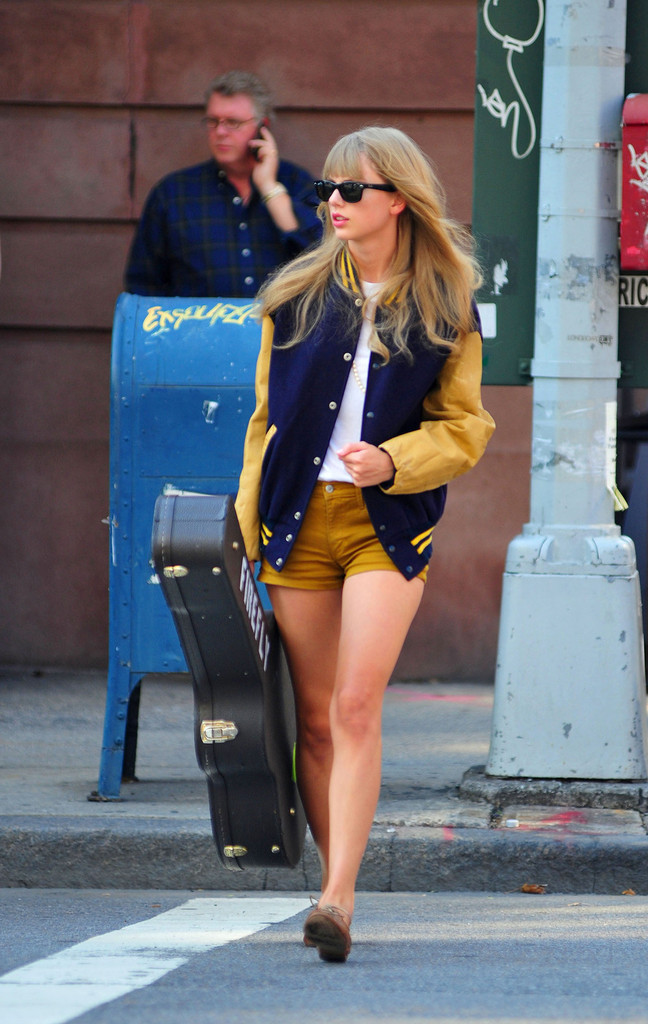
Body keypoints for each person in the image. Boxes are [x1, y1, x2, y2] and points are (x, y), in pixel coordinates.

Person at [235, 126, 495, 962]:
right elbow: (265, 422)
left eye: (354, 189)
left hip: (386, 521)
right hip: (297, 521)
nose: (335, 203)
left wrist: (395, 460)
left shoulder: (448, 305)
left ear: (400, 201)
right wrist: (247, 530)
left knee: (355, 704)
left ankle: (339, 900)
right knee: (315, 720)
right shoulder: (297, 296)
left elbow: (466, 427)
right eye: (329, 191)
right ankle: (329, 877)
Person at [124, 71, 321, 297]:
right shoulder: (172, 194)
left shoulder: (297, 183)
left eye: (233, 123)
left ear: (262, 126)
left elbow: (319, 258)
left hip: (280, 331)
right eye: (212, 121)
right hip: (197, 331)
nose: (220, 132)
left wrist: (269, 187)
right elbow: (143, 284)